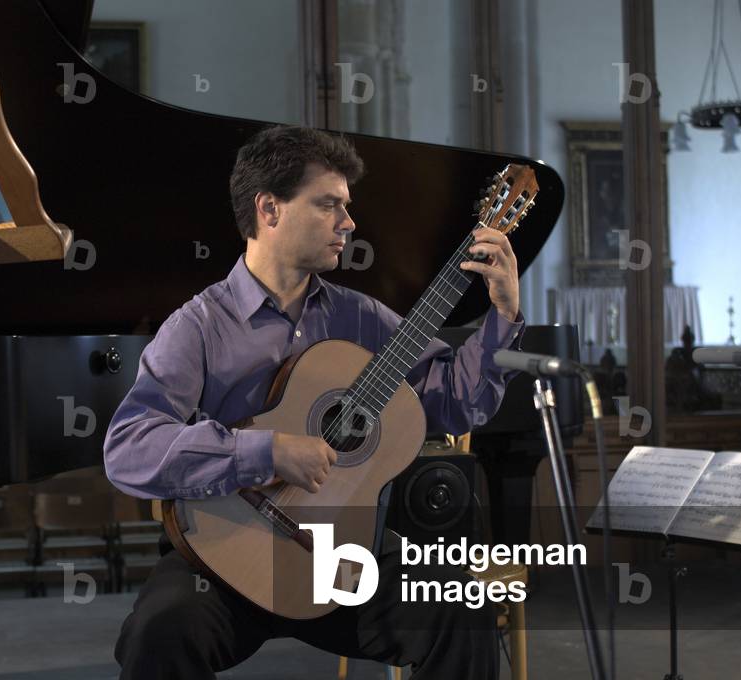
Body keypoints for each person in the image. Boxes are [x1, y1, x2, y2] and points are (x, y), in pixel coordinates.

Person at [104, 125, 525, 679]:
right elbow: (129, 448)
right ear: (269, 210)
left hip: (341, 561)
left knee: (459, 609)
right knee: (158, 631)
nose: (348, 223)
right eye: (328, 205)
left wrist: (502, 315)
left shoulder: (361, 317)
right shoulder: (199, 326)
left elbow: (455, 403)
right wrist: (266, 452)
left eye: (346, 206)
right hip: (226, 554)